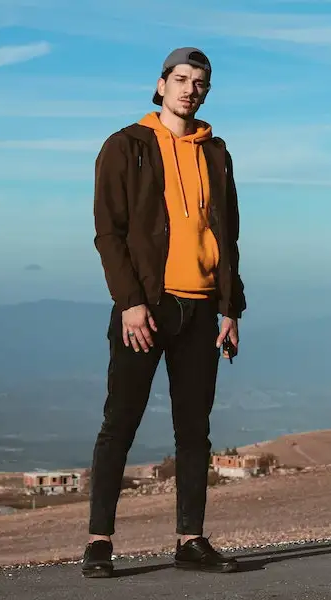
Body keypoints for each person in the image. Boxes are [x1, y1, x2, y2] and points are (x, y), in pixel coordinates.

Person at [82, 46, 246, 578]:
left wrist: (231, 309)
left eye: (200, 82)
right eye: (181, 79)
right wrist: (129, 301)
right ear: (160, 84)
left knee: (193, 431)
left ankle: (190, 540)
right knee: (120, 424)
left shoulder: (215, 153)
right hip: (146, 308)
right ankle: (100, 543)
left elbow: (229, 236)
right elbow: (108, 233)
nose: (189, 89)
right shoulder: (126, 145)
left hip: (201, 311)